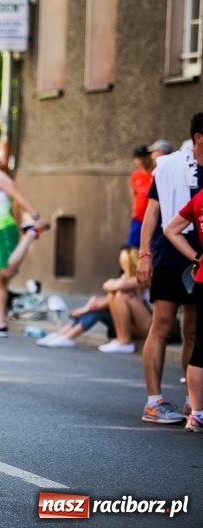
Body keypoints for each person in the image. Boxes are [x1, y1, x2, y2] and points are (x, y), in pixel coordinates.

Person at [137, 115, 203, 425]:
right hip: (169, 251)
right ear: (199, 137)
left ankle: (194, 402)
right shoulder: (170, 166)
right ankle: (154, 402)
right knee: (162, 326)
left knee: (193, 330)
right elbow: (152, 213)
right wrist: (144, 254)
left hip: (199, 255)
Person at [0, 148, 47, 337]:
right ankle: (0, 322)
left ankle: (31, 233)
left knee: (5, 272)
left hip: (4, 228)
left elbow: (17, 195)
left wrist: (35, 216)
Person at [39, 248, 150, 351]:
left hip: (146, 327)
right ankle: (64, 334)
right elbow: (107, 285)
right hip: (131, 323)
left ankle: (123, 341)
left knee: (116, 295)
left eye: (122, 261)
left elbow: (117, 285)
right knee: (106, 299)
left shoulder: (144, 279)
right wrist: (91, 304)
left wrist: (85, 309)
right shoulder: (125, 279)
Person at [165, 179, 203, 432]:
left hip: (202, 279)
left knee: (201, 347)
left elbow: (171, 229)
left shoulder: (200, 198)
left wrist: (196, 257)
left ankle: (197, 414)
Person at [129, 146, 154, 248]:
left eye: (144, 157)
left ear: (149, 157)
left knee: (151, 247)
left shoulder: (156, 173)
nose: (142, 161)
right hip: (138, 218)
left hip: (152, 218)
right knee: (133, 246)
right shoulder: (135, 175)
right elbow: (133, 193)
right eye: (139, 158)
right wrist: (134, 209)